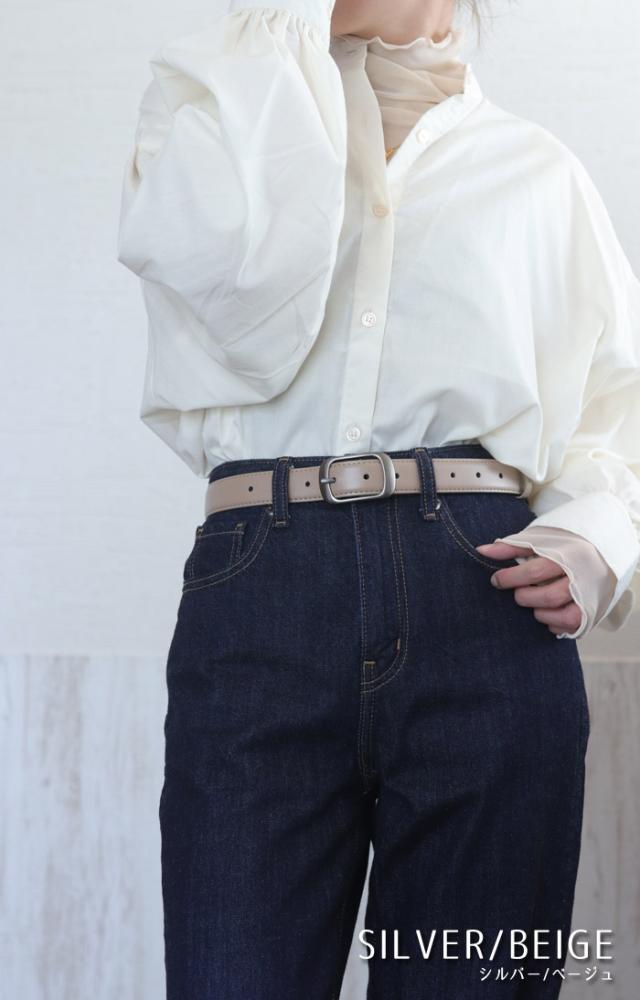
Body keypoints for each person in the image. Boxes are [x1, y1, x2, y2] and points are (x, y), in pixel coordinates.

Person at [116, 0, 640, 996]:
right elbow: (225, 284)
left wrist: (592, 541)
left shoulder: (538, 173)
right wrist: (305, 29)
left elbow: (618, 411)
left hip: (486, 593)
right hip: (260, 591)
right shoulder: (217, 116)